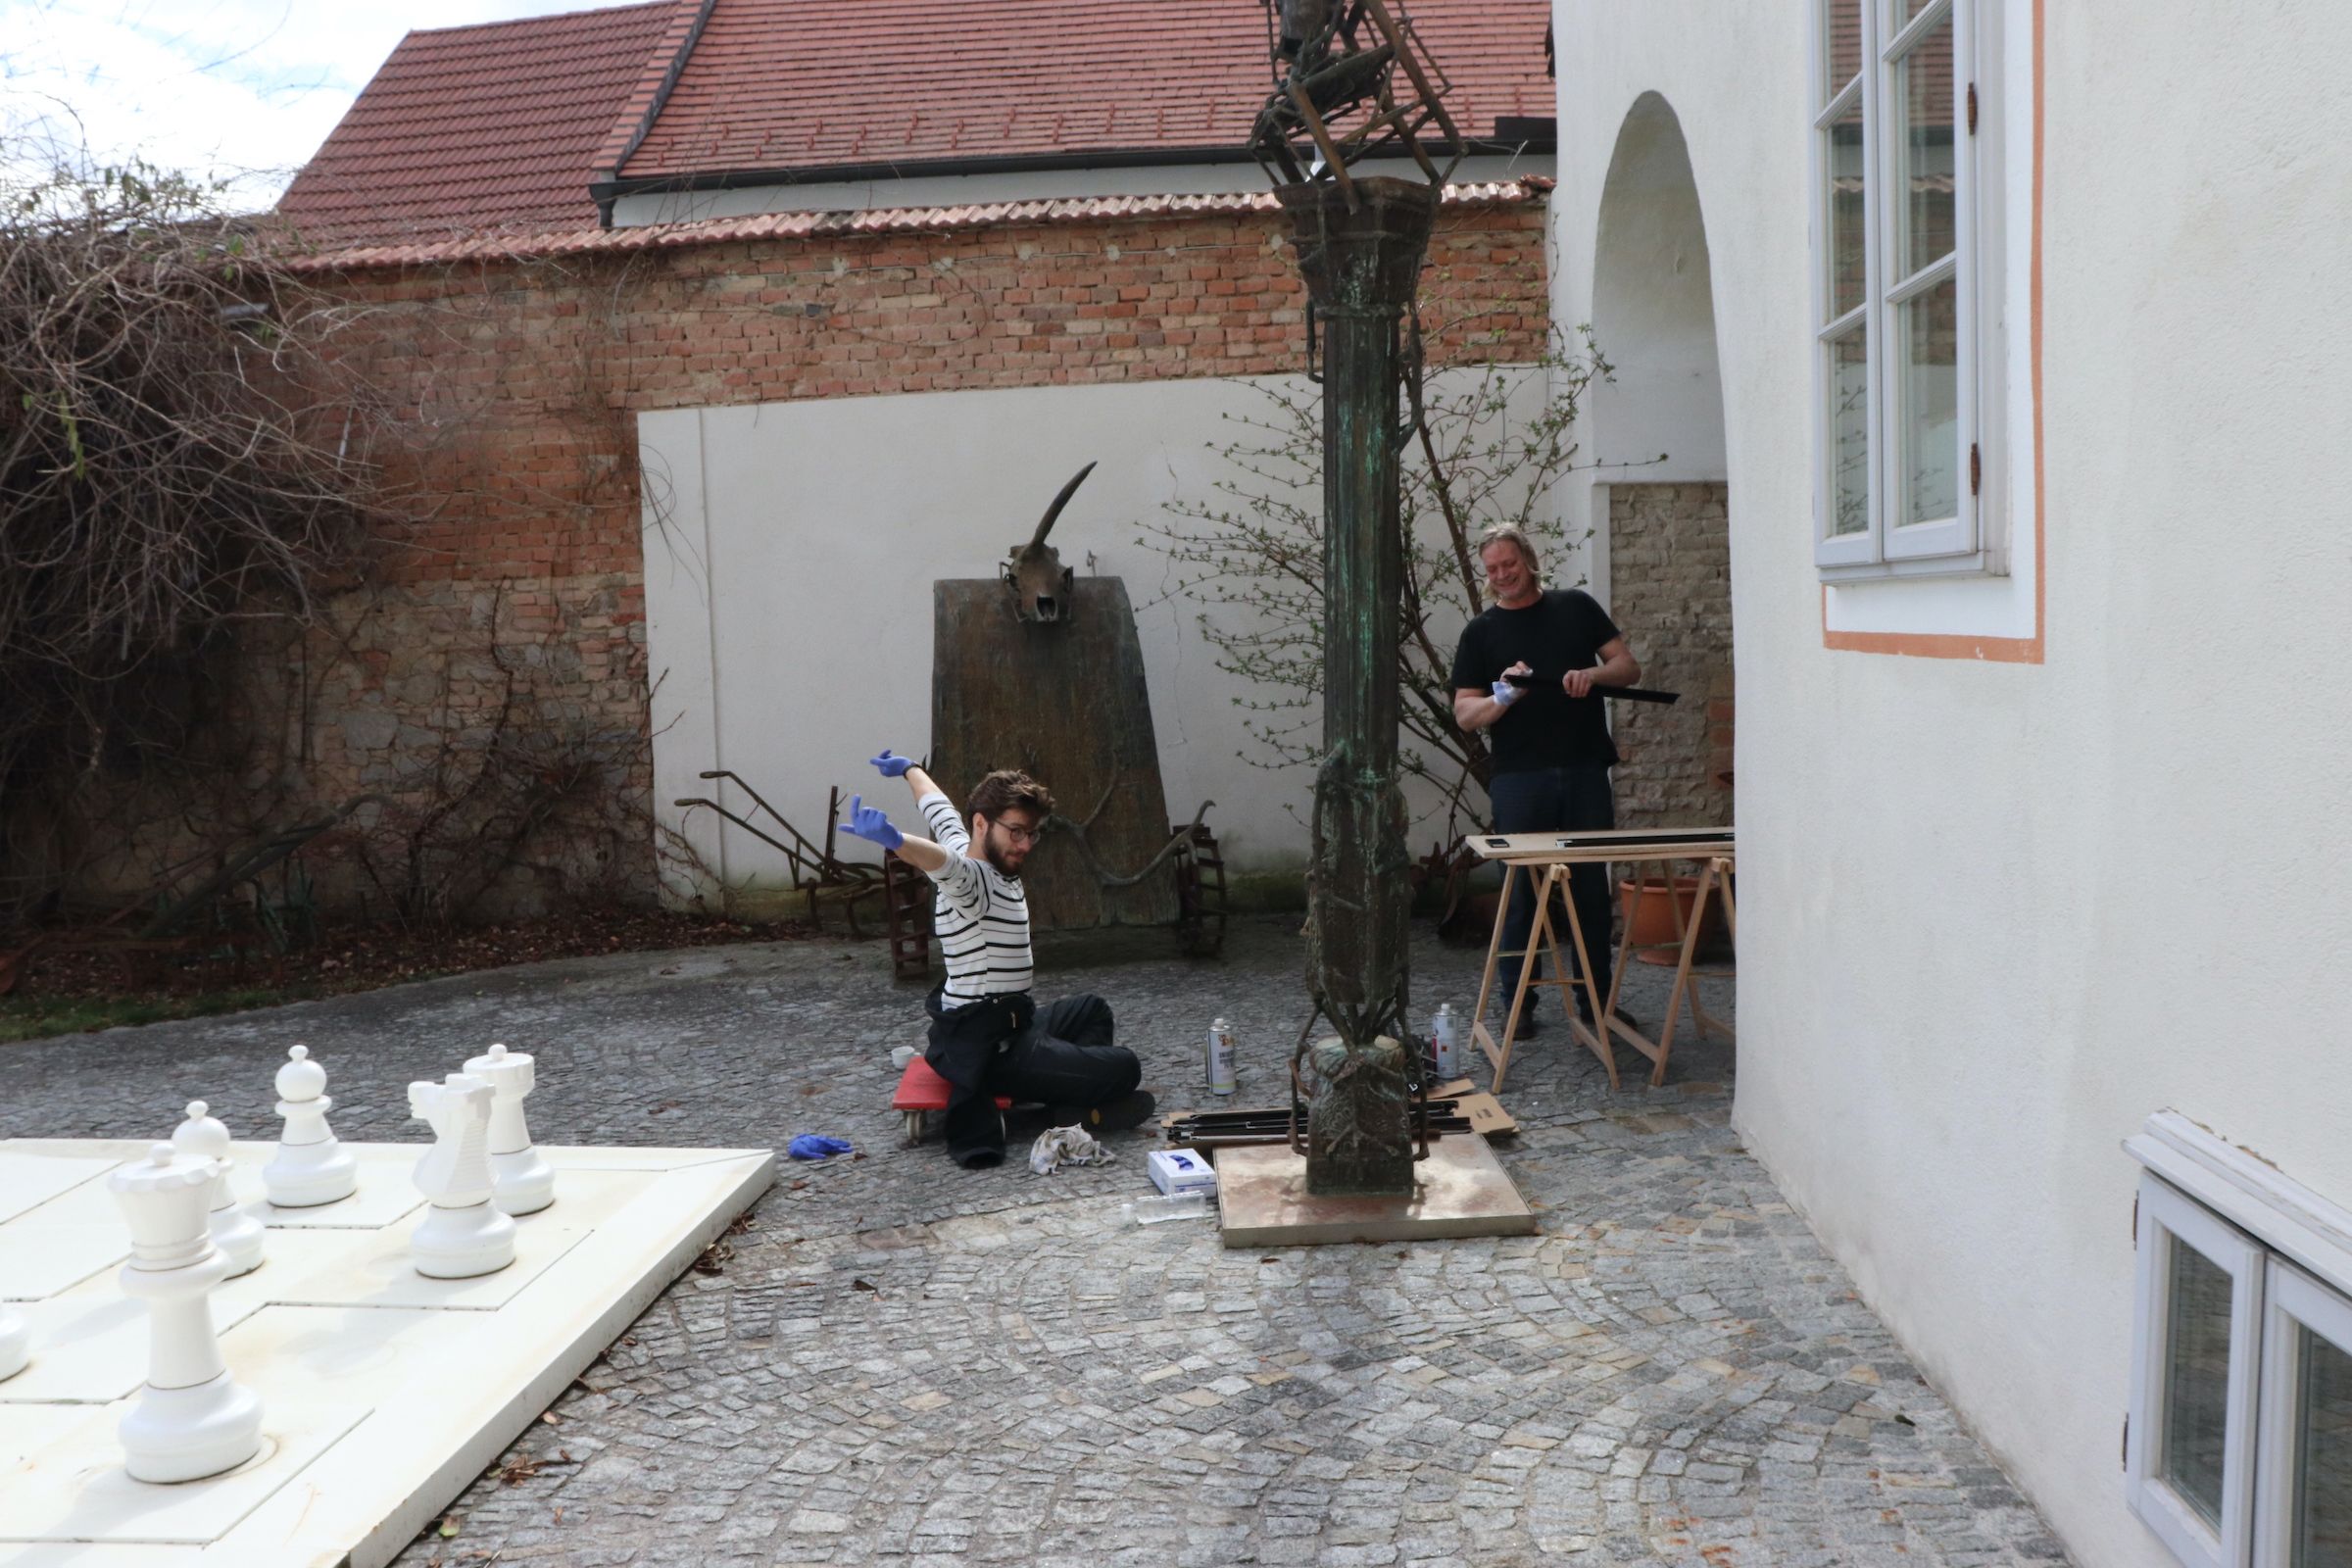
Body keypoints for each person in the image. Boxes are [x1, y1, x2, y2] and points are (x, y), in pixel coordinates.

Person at [841, 751, 1154, 1168]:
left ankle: (1068, 1104)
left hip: (1015, 1025)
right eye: (1017, 832)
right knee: (1125, 1067)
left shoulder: (972, 845)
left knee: (1092, 1009)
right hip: (991, 1050)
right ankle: (1067, 1102)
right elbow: (941, 862)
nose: (1025, 845)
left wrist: (910, 770)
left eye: (1032, 834)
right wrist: (896, 841)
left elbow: (939, 810)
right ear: (982, 824)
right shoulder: (972, 880)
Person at [1448, 525, 1642, 1039]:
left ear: (1529, 561)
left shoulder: (1574, 607)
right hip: (1519, 778)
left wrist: (1591, 676)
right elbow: (1465, 714)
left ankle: (1595, 1004)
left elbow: (1628, 667)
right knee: (1522, 893)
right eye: (1492, 569)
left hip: (1583, 770)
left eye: (1509, 564)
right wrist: (1502, 698)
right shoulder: (1481, 632)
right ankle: (1518, 1006)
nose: (1501, 575)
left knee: (1590, 892)